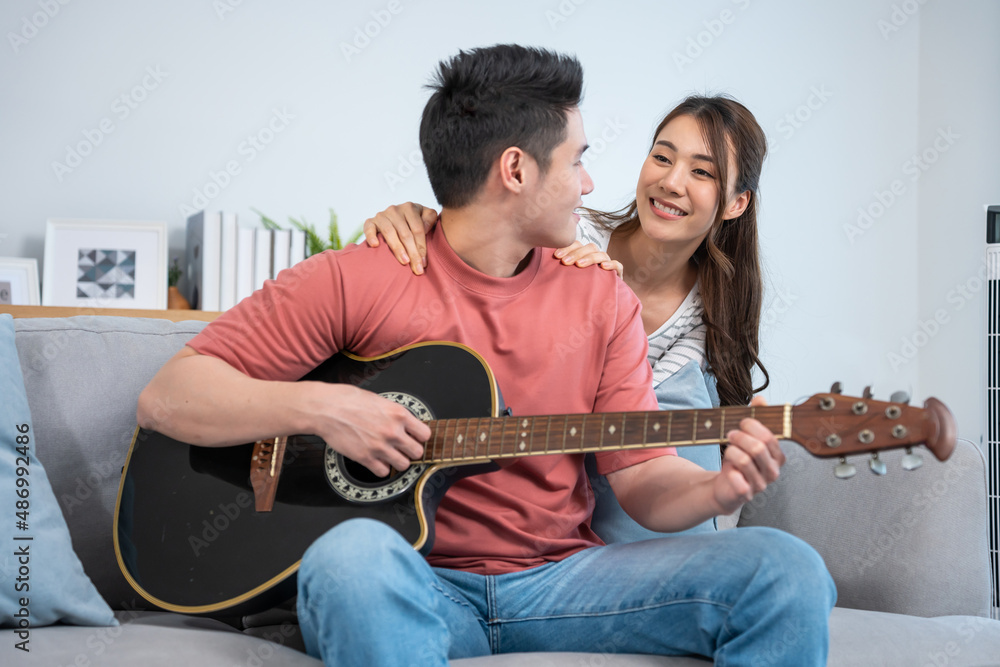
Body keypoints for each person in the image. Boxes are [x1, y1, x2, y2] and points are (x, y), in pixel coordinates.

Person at [137, 45, 834, 666]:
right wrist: (328, 407)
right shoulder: (359, 274)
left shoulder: (600, 296)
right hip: (418, 581)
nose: (592, 185)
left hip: (565, 583)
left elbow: (643, 476)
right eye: (578, 160)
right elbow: (169, 394)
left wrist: (719, 490)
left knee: (785, 568)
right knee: (349, 557)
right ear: (515, 170)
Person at [365, 94, 768, 539]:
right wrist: (420, 219)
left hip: (610, 452)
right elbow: (477, 254)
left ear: (736, 204)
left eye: (702, 171)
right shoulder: (567, 233)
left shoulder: (707, 315)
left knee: (692, 394)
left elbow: (637, 429)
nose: (672, 182)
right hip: (523, 440)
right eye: (662, 157)